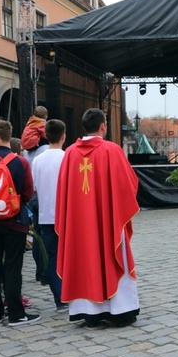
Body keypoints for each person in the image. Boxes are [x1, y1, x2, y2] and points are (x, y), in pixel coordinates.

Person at [56, 108, 140, 328]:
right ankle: (120, 310)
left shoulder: (70, 154)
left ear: (84, 127)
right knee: (113, 254)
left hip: (78, 224)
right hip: (109, 221)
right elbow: (129, 185)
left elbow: (62, 194)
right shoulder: (112, 151)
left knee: (82, 259)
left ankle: (88, 311)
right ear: (103, 126)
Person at [0, 119, 37, 326]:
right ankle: (16, 314)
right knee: (13, 267)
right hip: (15, 220)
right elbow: (29, 191)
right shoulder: (20, 162)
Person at [31, 119, 68, 311]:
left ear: (45, 135)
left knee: (52, 258)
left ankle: (59, 299)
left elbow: (33, 188)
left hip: (46, 216)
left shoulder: (37, 160)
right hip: (66, 216)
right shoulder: (67, 157)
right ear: (63, 136)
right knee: (69, 257)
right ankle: (72, 293)